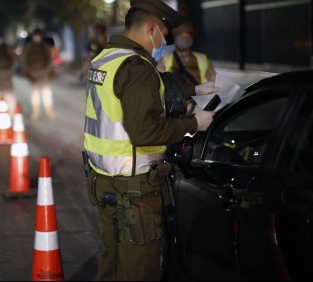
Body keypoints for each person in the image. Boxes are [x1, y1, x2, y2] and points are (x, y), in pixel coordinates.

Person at [83, 0, 216, 280]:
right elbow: (145, 132)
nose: (163, 43)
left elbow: (154, 84)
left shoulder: (107, 58)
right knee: (139, 270)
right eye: (164, 36)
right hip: (133, 191)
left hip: (103, 179)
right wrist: (195, 123)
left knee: (112, 262)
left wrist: (195, 87)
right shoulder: (136, 67)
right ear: (152, 27)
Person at [157, 20, 216, 86]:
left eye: (187, 36)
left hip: (201, 95)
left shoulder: (203, 59)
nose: (184, 39)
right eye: (181, 36)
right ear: (175, 38)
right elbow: (160, 83)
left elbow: (212, 81)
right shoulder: (165, 61)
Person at [20, 28, 55, 119]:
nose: (37, 38)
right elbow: (24, 60)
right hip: (33, 73)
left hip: (44, 73)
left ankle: (49, 111)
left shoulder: (45, 46)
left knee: (46, 93)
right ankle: (35, 112)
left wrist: (48, 70)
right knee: (34, 94)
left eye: (38, 35)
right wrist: (27, 71)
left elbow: (49, 59)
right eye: (36, 35)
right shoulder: (29, 46)